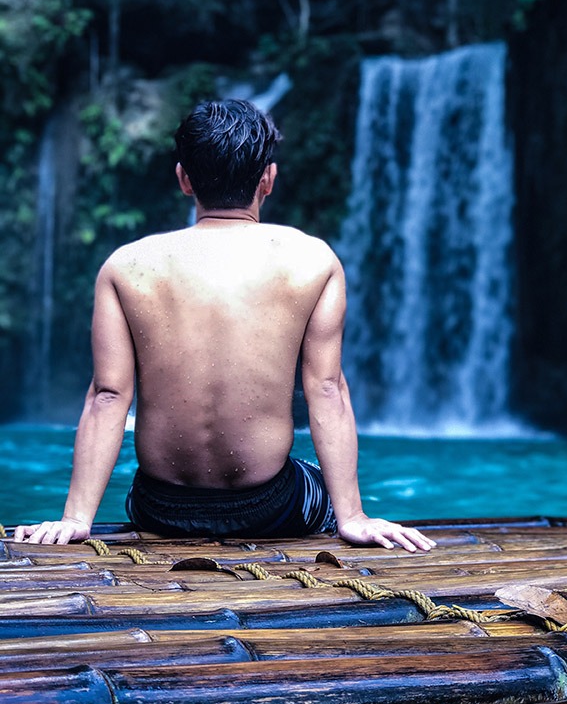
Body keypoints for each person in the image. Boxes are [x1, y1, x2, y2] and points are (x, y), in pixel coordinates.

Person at [15, 99, 435, 552]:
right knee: (311, 479)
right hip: (268, 506)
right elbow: (327, 388)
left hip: (159, 507)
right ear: (268, 179)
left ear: (184, 178)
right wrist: (352, 517)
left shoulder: (126, 265)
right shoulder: (313, 261)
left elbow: (109, 395)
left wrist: (76, 518)